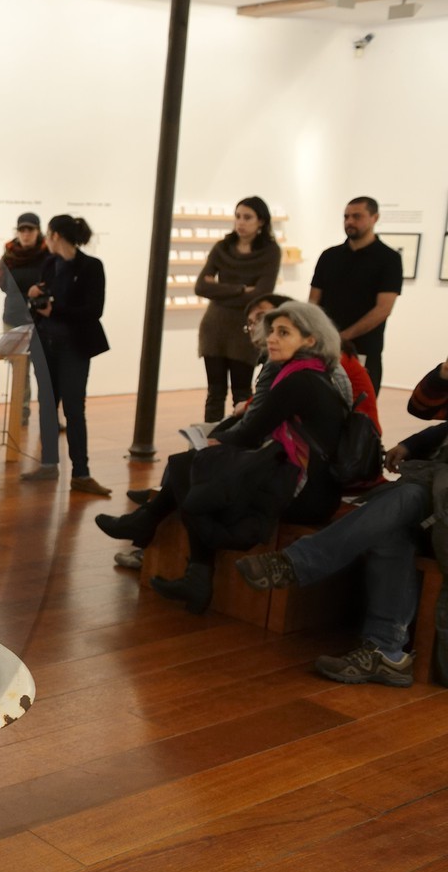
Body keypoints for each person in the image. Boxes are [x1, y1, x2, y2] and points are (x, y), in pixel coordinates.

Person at [236, 358, 448, 687]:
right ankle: (387, 653)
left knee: (403, 500)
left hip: (438, 505)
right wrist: (414, 440)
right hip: (432, 499)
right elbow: (423, 409)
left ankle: (295, 564)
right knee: (389, 528)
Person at [145, 302, 349, 614]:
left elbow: (251, 433)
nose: (272, 338)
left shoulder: (297, 380)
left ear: (310, 341)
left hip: (304, 493)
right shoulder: (314, 375)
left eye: (284, 333)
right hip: (315, 487)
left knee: (190, 469)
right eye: (272, 331)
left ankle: (185, 561)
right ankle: (187, 566)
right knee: (196, 469)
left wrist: (212, 442)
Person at [19, 214, 111, 496]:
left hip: (75, 346)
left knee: (73, 410)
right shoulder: (49, 263)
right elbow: (41, 302)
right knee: (47, 406)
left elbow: (94, 310)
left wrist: (55, 311)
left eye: (48, 233)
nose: (46, 237)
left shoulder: (91, 266)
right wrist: (33, 296)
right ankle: (49, 464)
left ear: (56, 235)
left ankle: (81, 473)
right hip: (47, 343)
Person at [195, 196, 281, 422]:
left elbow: (262, 294)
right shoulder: (223, 247)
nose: (241, 222)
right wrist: (242, 289)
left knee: (242, 393)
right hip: (214, 326)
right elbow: (201, 286)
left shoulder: (270, 251)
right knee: (215, 392)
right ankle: (208, 446)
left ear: (261, 221)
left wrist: (220, 289)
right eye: (238, 216)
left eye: (247, 217)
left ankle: (239, 445)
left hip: (246, 328)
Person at [310, 196, 403, 390]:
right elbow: (313, 302)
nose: (349, 221)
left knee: (360, 407)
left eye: (357, 216)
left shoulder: (389, 259)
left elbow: (383, 309)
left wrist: (343, 336)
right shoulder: (329, 256)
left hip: (364, 349)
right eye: (346, 216)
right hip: (324, 346)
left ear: (374, 218)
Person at [0, 212, 52, 426]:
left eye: (31, 230)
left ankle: (50, 413)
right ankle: (22, 412)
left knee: (44, 369)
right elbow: (1, 283)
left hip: (41, 319)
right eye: (22, 230)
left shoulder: (48, 255)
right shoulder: (9, 255)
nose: (26, 234)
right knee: (19, 369)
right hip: (13, 317)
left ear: (38, 232)